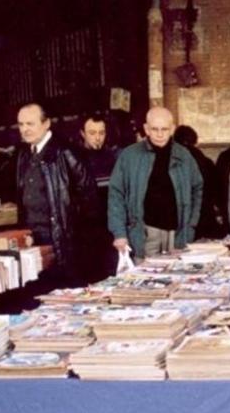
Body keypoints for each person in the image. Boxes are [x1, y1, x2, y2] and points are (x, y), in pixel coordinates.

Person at [14, 102, 97, 286]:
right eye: (21, 124)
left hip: (62, 241)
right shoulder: (23, 155)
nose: (25, 129)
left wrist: (75, 237)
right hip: (33, 240)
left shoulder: (66, 152)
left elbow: (89, 199)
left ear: (46, 124)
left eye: (30, 124)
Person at [108, 107, 204, 260]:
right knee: (145, 278)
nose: (160, 134)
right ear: (146, 129)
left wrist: (191, 225)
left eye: (164, 129)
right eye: (155, 129)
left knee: (180, 279)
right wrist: (119, 233)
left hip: (178, 234)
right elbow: (116, 194)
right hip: (144, 233)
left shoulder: (184, 156)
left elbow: (197, 189)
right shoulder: (129, 156)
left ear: (172, 129)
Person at [77, 114, 120, 280]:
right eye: (92, 133)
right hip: (87, 229)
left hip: (110, 226)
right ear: (83, 134)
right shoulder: (76, 159)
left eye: (101, 133)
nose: (97, 137)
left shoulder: (113, 158)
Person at [173, 124, 223, 240]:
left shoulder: (172, 159)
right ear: (195, 141)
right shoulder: (206, 161)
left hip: (180, 219)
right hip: (206, 217)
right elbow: (216, 191)